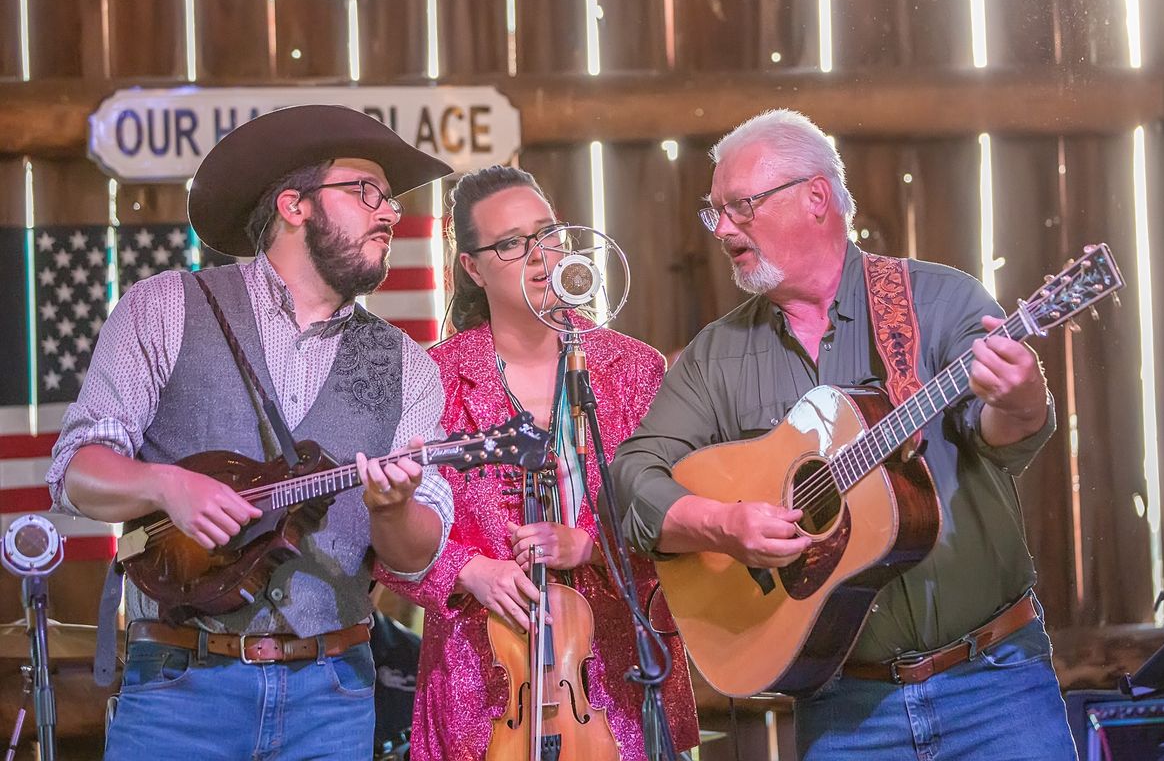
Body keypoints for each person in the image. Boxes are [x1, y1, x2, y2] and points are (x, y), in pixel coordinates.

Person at [612, 109, 1078, 759]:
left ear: (816, 197)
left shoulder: (939, 301)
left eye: (739, 206)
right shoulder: (716, 359)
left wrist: (1022, 398)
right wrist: (723, 524)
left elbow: (1004, 436)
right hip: (845, 708)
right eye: (713, 211)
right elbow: (632, 483)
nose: (722, 229)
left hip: (995, 683)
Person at [46, 105, 456, 760]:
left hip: (334, 694)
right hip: (178, 690)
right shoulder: (164, 307)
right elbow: (75, 473)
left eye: (391, 201)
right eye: (366, 193)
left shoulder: (408, 366)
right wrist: (165, 484)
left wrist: (394, 507)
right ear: (295, 205)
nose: (390, 213)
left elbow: (415, 557)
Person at [376, 165, 699, 760]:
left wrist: (593, 547)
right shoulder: (431, 379)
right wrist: (465, 569)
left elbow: (686, 518)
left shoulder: (636, 368)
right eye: (511, 244)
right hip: (482, 690)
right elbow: (382, 541)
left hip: (622, 688)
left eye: (548, 234)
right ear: (472, 267)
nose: (539, 256)